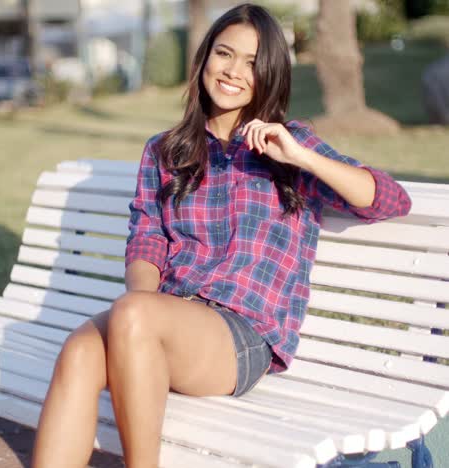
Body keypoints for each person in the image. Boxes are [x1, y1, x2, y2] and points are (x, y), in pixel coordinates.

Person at [31, 3, 412, 468]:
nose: (233, 71)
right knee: (79, 350)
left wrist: (304, 158)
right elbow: (147, 236)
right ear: (205, 58)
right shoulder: (165, 150)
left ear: (270, 73)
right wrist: (139, 323)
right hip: (166, 318)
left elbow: (391, 200)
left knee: (131, 315)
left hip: (244, 337)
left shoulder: (287, 145)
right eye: (224, 54)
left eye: (251, 63)